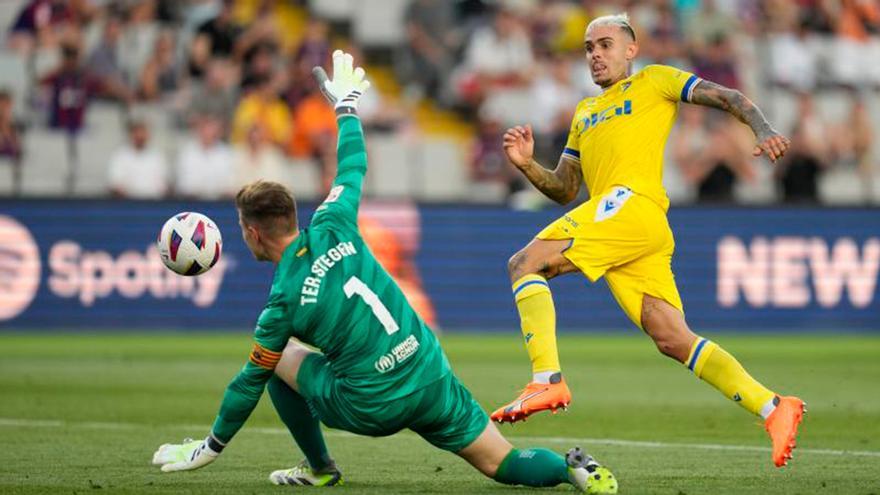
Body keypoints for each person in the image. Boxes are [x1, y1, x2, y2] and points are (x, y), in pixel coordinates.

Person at [151, 51, 617, 494]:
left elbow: (246, 383)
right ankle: (571, 468)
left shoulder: (282, 301)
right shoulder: (333, 220)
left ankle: (320, 470)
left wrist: (211, 446)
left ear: (253, 233)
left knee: (278, 364)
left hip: (373, 404)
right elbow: (353, 164)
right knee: (499, 462)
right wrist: (347, 108)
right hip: (427, 368)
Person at [491, 13, 805, 469]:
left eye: (605, 45)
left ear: (630, 50)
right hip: (626, 226)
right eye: (589, 48)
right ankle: (774, 407)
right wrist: (526, 164)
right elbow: (564, 189)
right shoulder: (584, 112)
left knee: (525, 263)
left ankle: (546, 378)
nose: (596, 54)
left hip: (633, 206)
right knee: (672, 337)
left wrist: (763, 130)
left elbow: (728, 96)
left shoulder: (655, 81)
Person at [107, 119, 169, 199]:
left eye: (143, 133)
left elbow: (164, 183)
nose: (140, 136)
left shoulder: (158, 156)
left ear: (148, 135)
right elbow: (115, 183)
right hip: (127, 203)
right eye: (137, 133)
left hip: (153, 203)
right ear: (131, 135)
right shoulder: (120, 155)